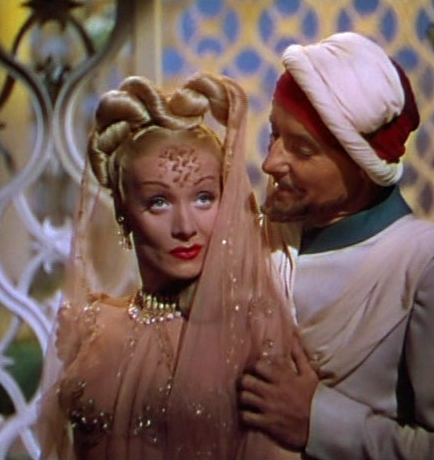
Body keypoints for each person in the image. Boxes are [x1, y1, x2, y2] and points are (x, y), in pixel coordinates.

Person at [239, 32, 434, 460]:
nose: (270, 163)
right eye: (274, 136)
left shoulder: (431, 267)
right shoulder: (254, 243)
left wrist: (317, 420)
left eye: (302, 149)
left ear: (363, 165)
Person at [36, 74, 298, 460]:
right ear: (123, 212)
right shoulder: (91, 328)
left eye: (204, 198)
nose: (185, 227)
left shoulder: (253, 331)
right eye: (158, 202)